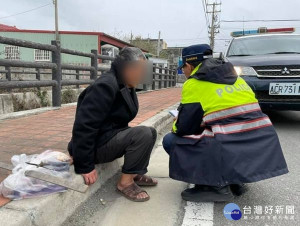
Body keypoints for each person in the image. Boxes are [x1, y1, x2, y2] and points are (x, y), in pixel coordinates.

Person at [163, 44, 288, 202]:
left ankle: (216, 187)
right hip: (260, 147)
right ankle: (234, 179)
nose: (184, 72)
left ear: (188, 65)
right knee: (219, 131)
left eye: (183, 69)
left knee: (170, 141)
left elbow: (184, 128)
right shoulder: (237, 78)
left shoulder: (194, 84)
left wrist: (177, 122)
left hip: (232, 145)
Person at [68, 47, 158, 202]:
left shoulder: (125, 84)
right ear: (128, 68)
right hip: (96, 145)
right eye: (140, 69)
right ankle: (125, 183)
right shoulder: (106, 86)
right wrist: (85, 165)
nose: (142, 74)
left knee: (151, 132)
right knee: (143, 134)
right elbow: (85, 125)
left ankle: (134, 172)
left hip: (108, 136)